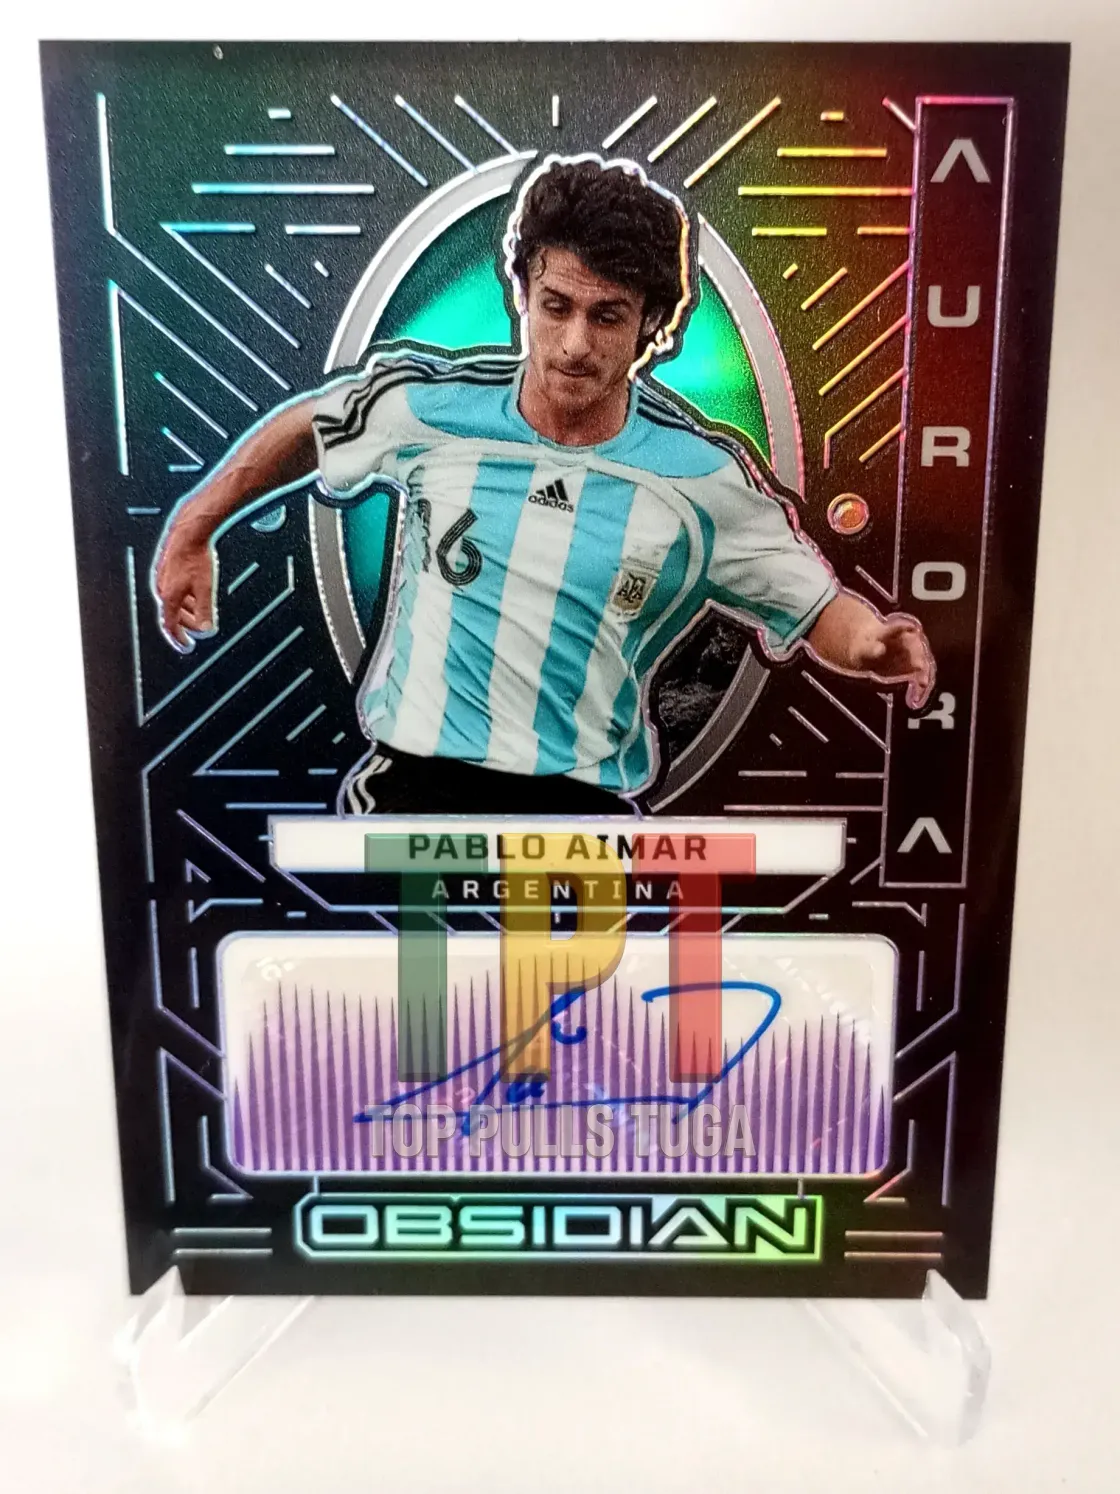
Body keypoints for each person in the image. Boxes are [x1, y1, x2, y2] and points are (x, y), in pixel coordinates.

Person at [153, 155, 933, 815]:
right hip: (410, 796)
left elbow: (816, 606)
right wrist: (195, 526)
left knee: (573, 964)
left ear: (652, 325)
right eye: (556, 306)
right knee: (399, 959)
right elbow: (310, 429)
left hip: (580, 815)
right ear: (522, 292)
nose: (573, 344)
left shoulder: (700, 479)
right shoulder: (430, 412)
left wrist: (869, 643)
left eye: (608, 316)